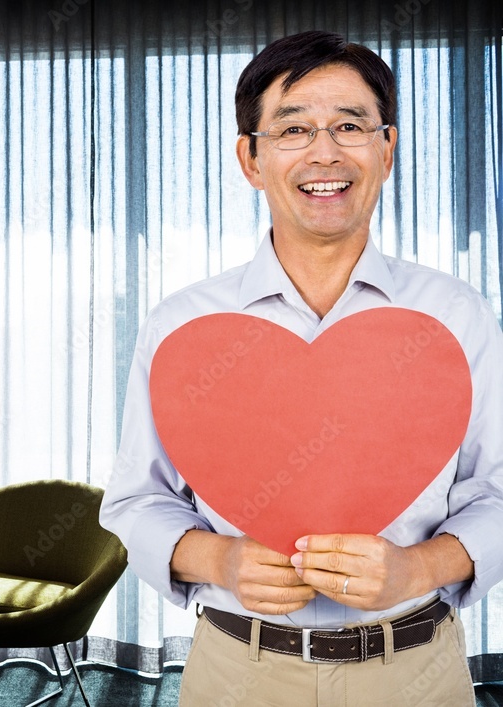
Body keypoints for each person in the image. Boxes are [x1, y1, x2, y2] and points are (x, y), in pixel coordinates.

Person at [99, 30, 503, 706]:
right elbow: (136, 501)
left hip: (417, 669)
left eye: (350, 125)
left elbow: (498, 491)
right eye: (293, 129)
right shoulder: (184, 326)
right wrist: (219, 558)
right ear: (251, 159)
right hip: (237, 666)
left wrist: (416, 567)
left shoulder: (457, 315)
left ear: (387, 149)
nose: (325, 151)